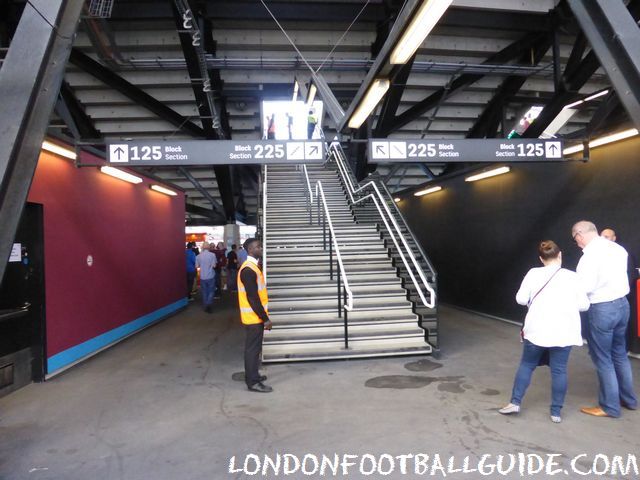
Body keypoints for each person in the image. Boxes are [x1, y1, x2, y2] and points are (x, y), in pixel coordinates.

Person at [499, 240, 589, 423]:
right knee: (559, 371)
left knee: (527, 365)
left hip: (537, 330)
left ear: (541, 258)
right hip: (564, 331)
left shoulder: (533, 273)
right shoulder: (573, 277)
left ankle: (515, 402)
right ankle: (556, 412)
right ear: (560, 255)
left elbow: (521, 299)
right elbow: (584, 305)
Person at [572, 220, 638, 417]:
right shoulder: (618, 249)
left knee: (603, 358)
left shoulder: (589, 257)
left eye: (576, 239)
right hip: (622, 305)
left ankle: (609, 407)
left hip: (602, 309)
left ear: (580, 235)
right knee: (619, 354)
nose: (577, 244)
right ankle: (629, 400)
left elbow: (585, 287)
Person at [237, 238, 272, 393]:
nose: (261, 248)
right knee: (252, 350)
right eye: (258, 247)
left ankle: (253, 375)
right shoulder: (248, 270)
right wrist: (265, 319)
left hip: (254, 316)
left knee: (254, 349)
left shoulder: (252, 267)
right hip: (253, 318)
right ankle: (253, 382)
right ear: (250, 250)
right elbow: (253, 298)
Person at [601, 227, 640, 350]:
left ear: (614, 238)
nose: (604, 239)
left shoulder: (623, 251)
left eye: (607, 237)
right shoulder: (599, 253)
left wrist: (623, 294)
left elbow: (630, 273)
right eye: (602, 236)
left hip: (621, 298)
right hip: (605, 299)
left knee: (619, 334)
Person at [196, 242, 216, 313]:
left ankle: (206, 305)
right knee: (211, 291)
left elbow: (197, 266)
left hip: (202, 276)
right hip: (210, 275)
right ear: (209, 247)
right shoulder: (212, 255)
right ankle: (208, 304)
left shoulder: (198, 256)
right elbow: (214, 266)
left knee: (204, 291)